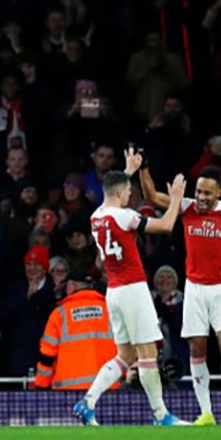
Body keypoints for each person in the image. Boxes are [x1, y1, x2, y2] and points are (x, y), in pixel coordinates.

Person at [139, 159, 221, 426]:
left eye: (207, 192)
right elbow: (151, 196)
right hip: (195, 289)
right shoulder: (187, 207)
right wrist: (144, 167)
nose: (201, 197)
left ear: (219, 192)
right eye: (198, 191)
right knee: (197, 348)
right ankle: (206, 412)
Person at [75, 163, 188, 426]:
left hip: (113, 291)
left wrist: (129, 169)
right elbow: (167, 225)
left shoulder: (96, 217)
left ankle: (88, 402)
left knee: (125, 355)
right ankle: (162, 416)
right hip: (133, 289)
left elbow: (114, 190)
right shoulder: (124, 216)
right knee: (148, 354)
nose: (130, 196)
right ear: (119, 192)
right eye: (128, 191)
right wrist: (176, 199)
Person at [35, 271, 117, 390]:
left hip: (68, 390)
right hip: (107, 388)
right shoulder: (109, 310)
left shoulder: (60, 314)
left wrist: (41, 386)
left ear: (72, 285)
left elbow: (47, 355)